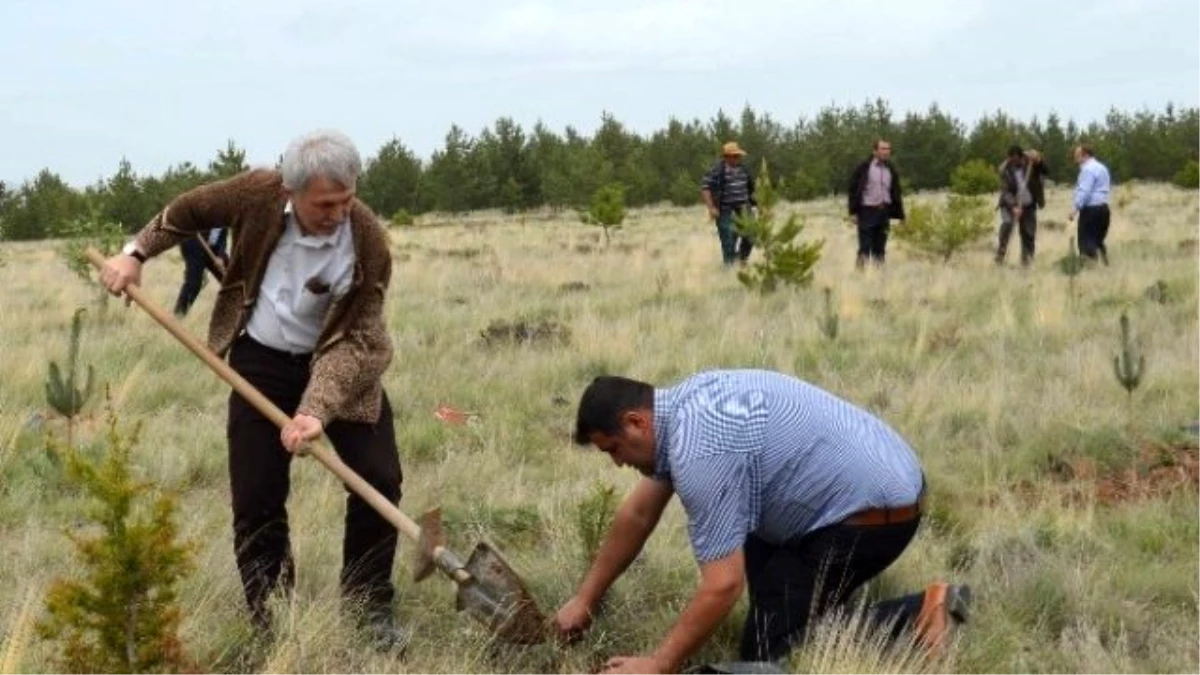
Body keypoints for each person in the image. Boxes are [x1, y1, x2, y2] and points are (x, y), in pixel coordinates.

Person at [98, 129, 407, 651]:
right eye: (324, 204)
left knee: (379, 479)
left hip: (336, 365)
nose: (338, 212)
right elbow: (188, 210)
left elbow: (360, 341)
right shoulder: (256, 194)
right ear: (290, 192)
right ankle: (272, 616)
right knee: (257, 494)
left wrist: (315, 410)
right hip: (259, 360)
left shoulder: (368, 240)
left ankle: (368, 603)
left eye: (346, 199)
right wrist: (135, 254)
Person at [555, 369, 970, 673]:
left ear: (635, 423)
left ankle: (919, 612)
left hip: (873, 516)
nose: (617, 463)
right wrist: (584, 599)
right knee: (765, 577)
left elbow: (723, 585)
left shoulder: (699, 453)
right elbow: (639, 514)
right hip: (880, 477)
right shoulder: (680, 408)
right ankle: (811, 606)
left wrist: (660, 663)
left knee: (768, 655)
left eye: (613, 449)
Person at [848, 140, 905, 268]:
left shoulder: (890, 169)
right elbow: (853, 190)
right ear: (875, 151)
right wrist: (853, 212)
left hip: (884, 212)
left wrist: (901, 215)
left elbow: (896, 192)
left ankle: (878, 277)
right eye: (883, 148)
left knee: (880, 247)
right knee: (865, 246)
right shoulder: (864, 168)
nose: (886, 151)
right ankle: (860, 276)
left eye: (888, 149)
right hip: (867, 212)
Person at [701, 142, 757, 267]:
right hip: (724, 210)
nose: (738, 158)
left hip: (744, 208)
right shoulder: (716, 171)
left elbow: (752, 189)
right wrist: (711, 208)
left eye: (738, 156)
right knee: (728, 240)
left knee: (752, 234)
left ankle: (742, 259)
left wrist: (758, 204)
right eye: (735, 156)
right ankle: (729, 270)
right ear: (727, 157)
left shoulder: (744, 170)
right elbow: (705, 188)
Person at [995, 146, 1047, 266]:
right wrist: (1014, 206)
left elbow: (1045, 170)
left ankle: (1027, 262)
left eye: (1017, 159)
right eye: (1012, 159)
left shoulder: (1031, 164)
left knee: (1028, 233)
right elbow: (1005, 191)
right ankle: (1000, 258)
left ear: (1021, 157)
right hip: (1009, 205)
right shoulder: (1005, 170)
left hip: (1028, 205)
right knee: (1007, 226)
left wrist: (1038, 160)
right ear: (1009, 158)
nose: (1015, 162)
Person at [1068, 144, 1112, 264]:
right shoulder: (1102, 168)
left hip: (1091, 209)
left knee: (1086, 240)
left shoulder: (1087, 170)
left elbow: (1085, 191)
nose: (1075, 158)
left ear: (1085, 155)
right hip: (1104, 208)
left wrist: (1075, 208)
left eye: (1077, 155)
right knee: (1098, 240)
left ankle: (1090, 268)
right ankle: (1104, 265)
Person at [174, 228, 229, 317]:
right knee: (194, 283)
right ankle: (178, 315)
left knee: (233, 277)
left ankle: (238, 315)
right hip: (194, 246)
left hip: (214, 248)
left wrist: (221, 256)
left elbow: (223, 237)